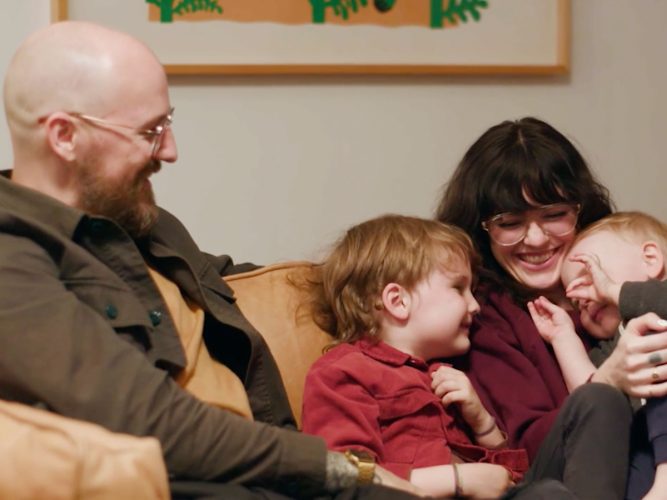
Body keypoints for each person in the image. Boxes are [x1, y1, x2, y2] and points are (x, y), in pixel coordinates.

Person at [0, 21, 424, 499]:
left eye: (168, 123)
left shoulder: (144, 220)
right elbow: (152, 419)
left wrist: (421, 281)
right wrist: (345, 469)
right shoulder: (12, 256)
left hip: (279, 475)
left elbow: (234, 276)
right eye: (150, 131)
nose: (171, 150)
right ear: (64, 136)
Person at [301, 214, 632, 499]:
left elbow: (508, 476)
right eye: (458, 289)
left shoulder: (448, 373)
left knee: (599, 399)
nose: (475, 306)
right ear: (397, 301)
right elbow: (341, 475)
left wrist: (482, 422)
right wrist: (457, 479)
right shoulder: (343, 372)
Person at [435, 117, 667, 492]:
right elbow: (527, 451)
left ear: (581, 209)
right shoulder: (482, 316)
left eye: (555, 215)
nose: (537, 238)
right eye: (510, 223)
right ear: (482, 228)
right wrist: (611, 380)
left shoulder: (622, 270)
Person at [527, 211, 667, 499]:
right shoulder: (613, 346)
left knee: (655, 339)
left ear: (651, 259)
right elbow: (592, 402)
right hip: (642, 459)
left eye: (589, 276)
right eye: (575, 302)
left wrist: (615, 291)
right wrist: (564, 337)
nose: (581, 297)